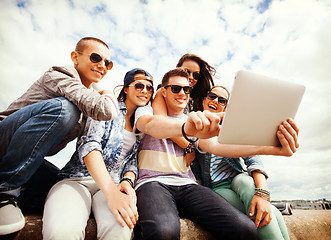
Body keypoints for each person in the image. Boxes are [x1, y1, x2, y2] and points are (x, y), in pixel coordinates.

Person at [133, 68, 299, 240]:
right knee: (164, 232)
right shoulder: (147, 111)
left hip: (188, 186)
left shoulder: (193, 118)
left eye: (186, 89)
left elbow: (216, 146)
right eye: (175, 88)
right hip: (152, 182)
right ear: (164, 91)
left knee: (245, 228)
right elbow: (151, 125)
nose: (182, 93)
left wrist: (273, 149)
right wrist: (185, 129)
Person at [0, 37, 119, 235]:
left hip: (30, 158)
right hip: (4, 140)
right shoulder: (60, 75)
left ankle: (21, 199)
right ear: (75, 57)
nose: (102, 66)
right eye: (96, 58)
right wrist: (108, 93)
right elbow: (106, 110)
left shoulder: (88, 93)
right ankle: (4, 191)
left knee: (58, 186)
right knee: (66, 109)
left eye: (108, 63)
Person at [42, 68, 154, 240]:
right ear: (126, 88)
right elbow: (89, 145)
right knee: (62, 231)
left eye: (149, 87)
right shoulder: (106, 107)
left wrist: (127, 180)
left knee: (121, 230)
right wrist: (112, 192)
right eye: (139, 85)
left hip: (115, 185)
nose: (145, 91)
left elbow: (132, 161)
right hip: (77, 179)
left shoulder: (142, 125)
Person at [192, 86, 290, 240]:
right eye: (212, 96)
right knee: (271, 212)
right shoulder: (194, 126)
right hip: (217, 187)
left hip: (237, 177)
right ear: (204, 100)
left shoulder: (232, 128)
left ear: (226, 107)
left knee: (246, 183)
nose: (216, 101)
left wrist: (263, 193)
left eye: (222, 100)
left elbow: (252, 157)